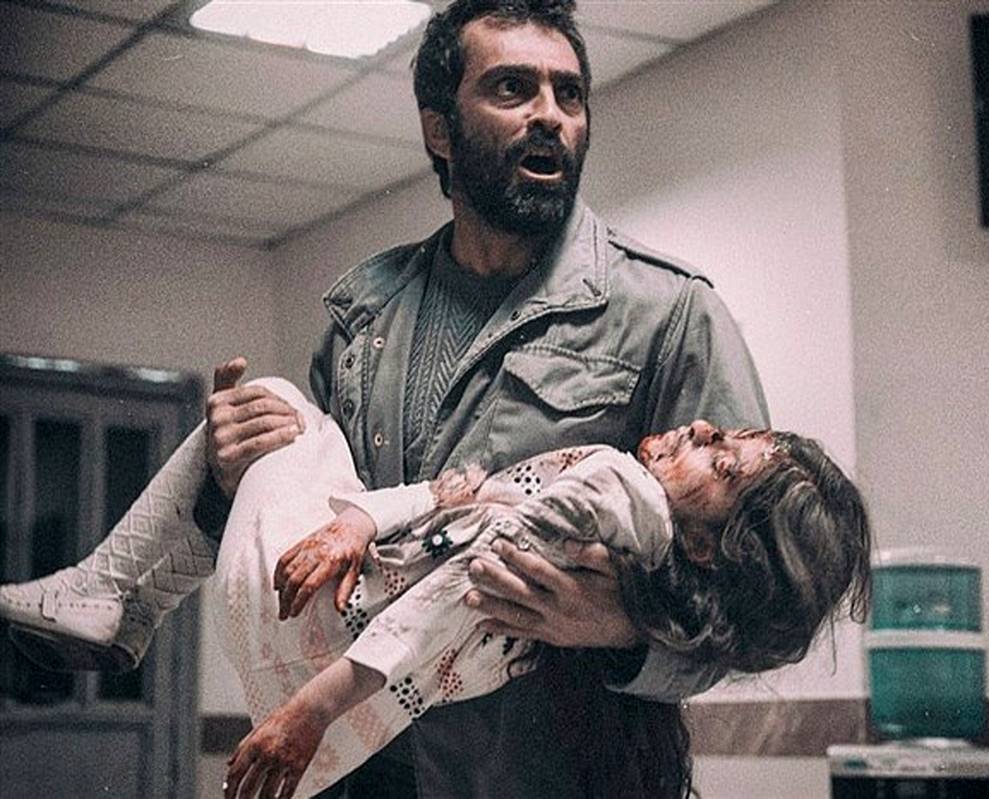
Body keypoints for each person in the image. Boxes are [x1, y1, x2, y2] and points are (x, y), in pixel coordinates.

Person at [16, 0, 784, 794]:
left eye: (569, 93)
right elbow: (311, 547)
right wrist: (227, 474)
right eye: (513, 88)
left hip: (554, 777)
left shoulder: (669, 313)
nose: (550, 115)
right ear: (440, 130)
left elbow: (770, 595)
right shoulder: (367, 316)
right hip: (359, 763)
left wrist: (624, 628)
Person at [0, 376, 871, 799]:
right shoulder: (630, 548)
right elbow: (463, 505)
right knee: (290, 434)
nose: (708, 429)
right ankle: (122, 602)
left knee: (281, 402)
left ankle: (112, 592)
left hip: (319, 645)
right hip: (348, 712)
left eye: (726, 461)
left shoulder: (617, 482)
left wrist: (309, 710)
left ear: (716, 548)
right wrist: (354, 521)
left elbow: (458, 580)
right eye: (728, 435)